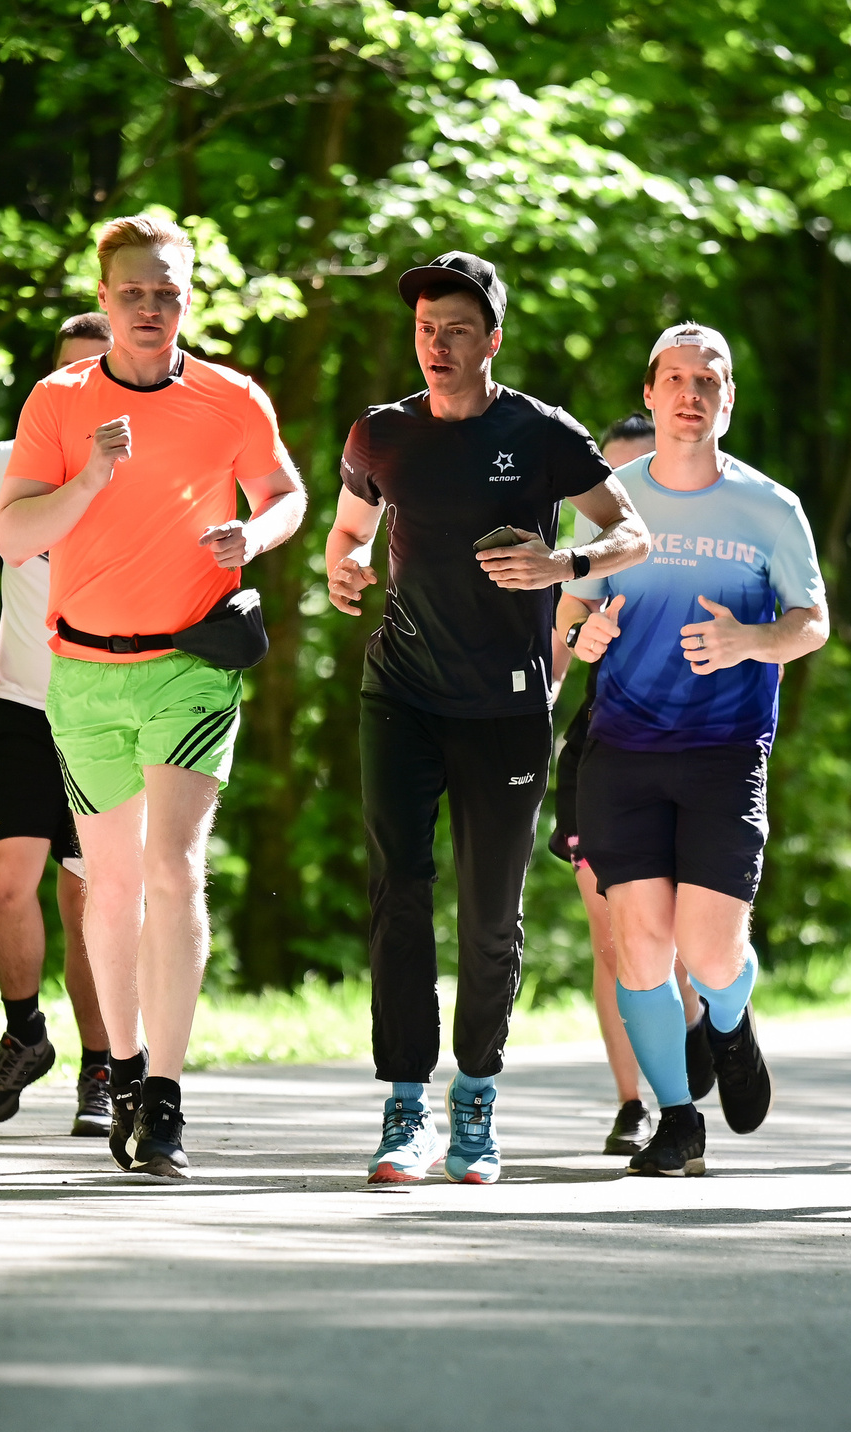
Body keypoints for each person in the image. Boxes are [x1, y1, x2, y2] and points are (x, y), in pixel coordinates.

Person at [325, 251, 650, 1186]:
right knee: (399, 894)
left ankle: (474, 1105)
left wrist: (564, 569)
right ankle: (402, 1108)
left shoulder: (542, 432)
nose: (437, 343)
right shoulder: (381, 434)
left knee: (490, 916)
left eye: (457, 329)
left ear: (493, 339)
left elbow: (629, 532)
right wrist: (340, 568)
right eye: (425, 329)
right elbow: (348, 530)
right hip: (400, 693)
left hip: (506, 706)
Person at [0, 215, 306, 1183]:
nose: (149, 308)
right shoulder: (58, 401)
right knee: (112, 882)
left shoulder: (231, 398)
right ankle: (122, 1069)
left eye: (166, 292)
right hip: (81, 672)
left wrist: (252, 539)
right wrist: (92, 471)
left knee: (173, 868)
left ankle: (164, 1095)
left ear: (187, 296)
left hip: (191, 665)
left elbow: (288, 493)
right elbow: (11, 536)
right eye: (132, 292)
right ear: (104, 295)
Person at [564, 324, 827, 1177]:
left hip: (723, 752)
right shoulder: (607, 501)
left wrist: (752, 639)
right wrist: (585, 633)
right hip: (623, 750)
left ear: (728, 399)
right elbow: (566, 618)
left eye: (707, 380)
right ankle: (677, 1118)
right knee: (640, 943)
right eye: (674, 378)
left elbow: (810, 623)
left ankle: (729, 1017)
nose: (690, 394)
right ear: (649, 394)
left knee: (710, 952)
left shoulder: (771, 509)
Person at [0, 313, 117, 1138]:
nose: (79, 389)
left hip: (110, 717)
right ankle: (25, 1032)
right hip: (19, 705)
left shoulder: (148, 469)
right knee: (5, 883)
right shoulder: (5, 463)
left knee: (89, 904)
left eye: (98, 371)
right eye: (66, 375)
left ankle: (102, 1069)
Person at [546, 414, 710, 1156]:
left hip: (704, 749)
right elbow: (556, 652)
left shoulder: (718, 542)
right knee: (616, 937)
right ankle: (635, 1103)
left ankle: (708, 1015)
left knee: (683, 940)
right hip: (603, 751)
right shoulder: (586, 560)